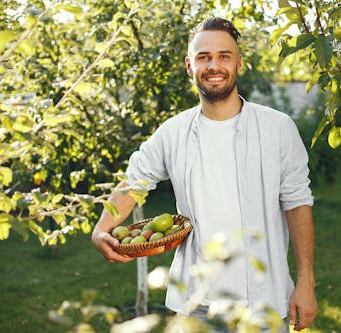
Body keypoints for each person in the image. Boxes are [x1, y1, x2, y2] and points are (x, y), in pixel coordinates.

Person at [91, 17, 317, 332]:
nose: (214, 65)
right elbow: (134, 182)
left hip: (264, 304)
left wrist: (306, 282)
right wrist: (103, 227)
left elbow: (297, 203)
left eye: (224, 56)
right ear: (189, 65)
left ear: (239, 63)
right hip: (196, 305)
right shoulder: (172, 132)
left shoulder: (277, 128)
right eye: (203, 57)